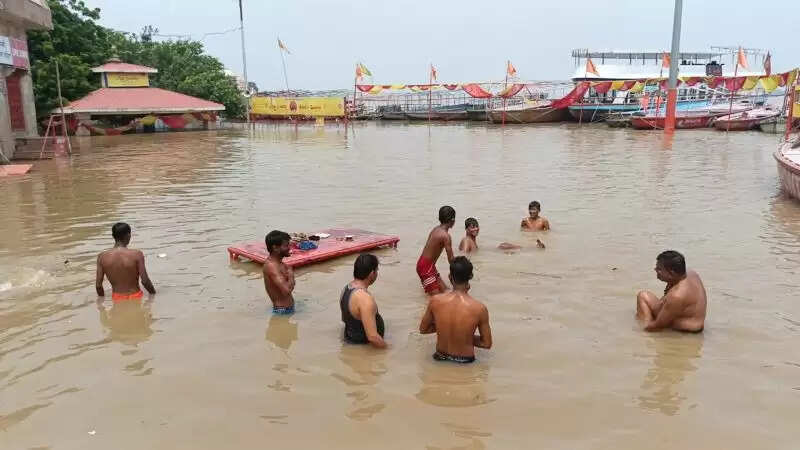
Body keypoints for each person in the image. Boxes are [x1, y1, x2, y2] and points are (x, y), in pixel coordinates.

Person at [419, 256, 492, 363]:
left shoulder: (435, 301)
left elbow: (423, 329)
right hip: (464, 362)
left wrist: (443, 329)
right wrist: (463, 336)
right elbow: (486, 343)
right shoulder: (479, 308)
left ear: (450, 277)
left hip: (439, 358)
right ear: (470, 276)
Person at [636, 250, 707, 332]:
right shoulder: (690, 273)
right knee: (646, 296)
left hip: (686, 330)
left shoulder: (677, 296)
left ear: (672, 273)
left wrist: (639, 333)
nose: (655, 269)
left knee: (642, 296)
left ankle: (645, 324)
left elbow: (657, 326)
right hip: (694, 321)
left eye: (659, 269)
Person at [96, 222, 156, 302]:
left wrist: (101, 302)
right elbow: (145, 281)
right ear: (128, 235)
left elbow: (98, 285)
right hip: (136, 296)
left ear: (113, 236)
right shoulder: (137, 254)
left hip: (116, 298)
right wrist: (153, 295)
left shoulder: (102, 257)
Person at [340, 253, 386, 348]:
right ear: (372, 274)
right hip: (364, 349)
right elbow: (373, 337)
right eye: (377, 270)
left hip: (350, 343)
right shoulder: (364, 299)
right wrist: (388, 350)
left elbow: (345, 319)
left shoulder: (346, 289)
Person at [416, 206, 456, 295]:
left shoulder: (436, 229)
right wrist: (458, 273)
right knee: (437, 299)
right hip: (426, 268)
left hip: (427, 265)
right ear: (453, 220)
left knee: (446, 291)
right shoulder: (446, 236)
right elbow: (451, 259)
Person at [263, 230, 296, 314]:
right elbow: (287, 291)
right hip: (282, 311)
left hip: (286, 309)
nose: (289, 248)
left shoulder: (280, 264)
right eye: (286, 245)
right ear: (275, 248)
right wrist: (291, 275)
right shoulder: (272, 267)